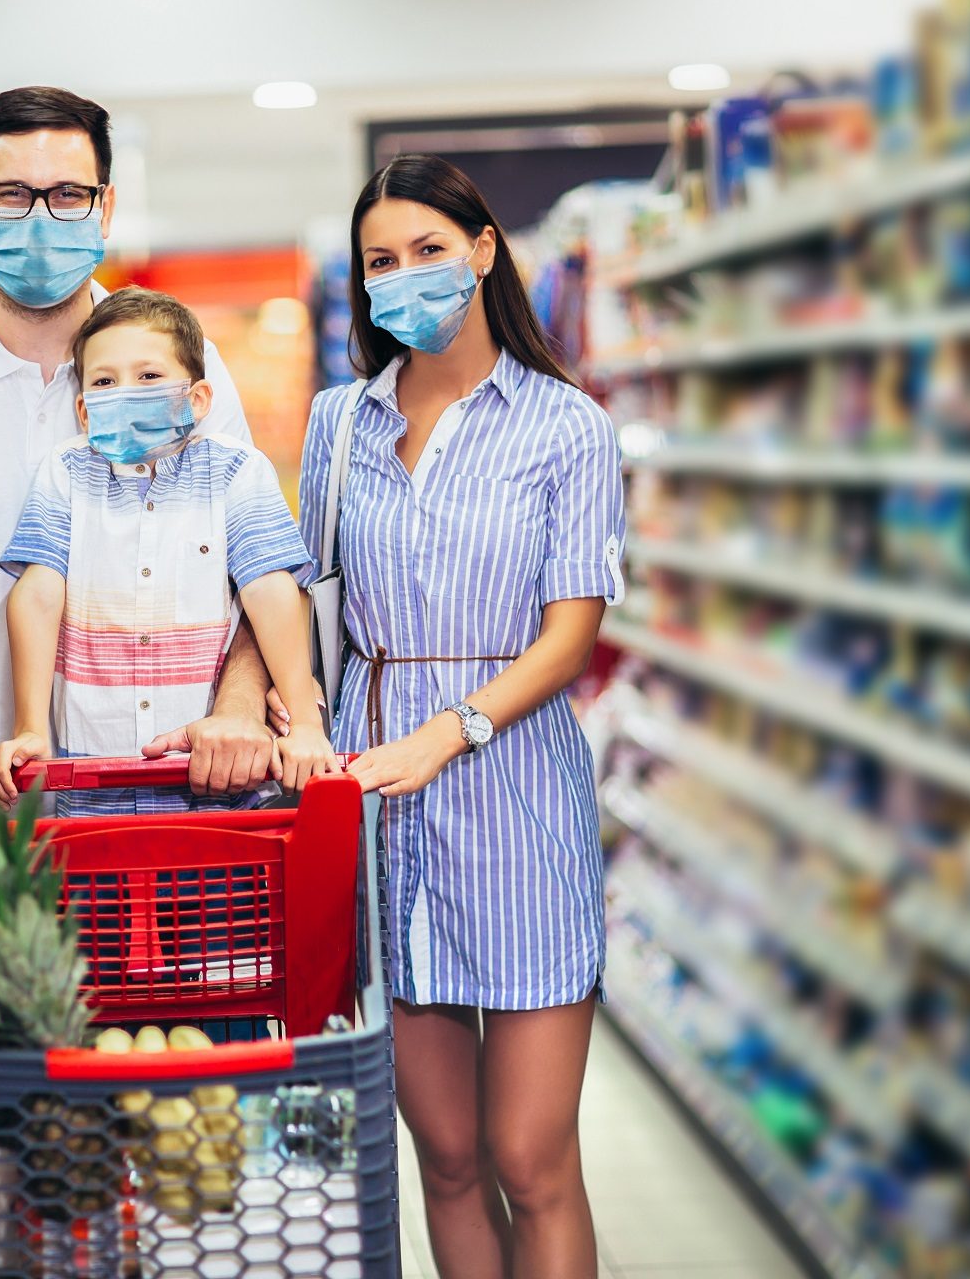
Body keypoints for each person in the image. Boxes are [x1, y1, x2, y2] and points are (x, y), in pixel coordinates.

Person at [285, 155, 625, 1279]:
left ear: (483, 250)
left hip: (518, 794)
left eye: (429, 249)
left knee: (531, 1154)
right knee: (444, 1151)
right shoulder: (339, 425)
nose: (405, 275)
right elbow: (302, 605)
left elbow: (571, 634)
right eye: (382, 260)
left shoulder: (565, 425)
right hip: (383, 801)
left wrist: (453, 730)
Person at [0, 86, 275, 803]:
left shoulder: (185, 370)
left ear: (106, 207)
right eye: (12, 195)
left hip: (168, 789)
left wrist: (240, 710)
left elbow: (256, 569)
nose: (39, 220)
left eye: (67, 194)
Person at [0, 288, 337, 813]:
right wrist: (30, 727)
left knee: (221, 897)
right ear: (84, 409)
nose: (125, 391)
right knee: (95, 896)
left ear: (198, 399)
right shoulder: (66, 473)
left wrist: (305, 724)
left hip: (218, 785)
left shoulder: (236, 471)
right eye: (104, 381)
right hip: (91, 782)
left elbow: (272, 590)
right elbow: (37, 592)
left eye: (148, 376)